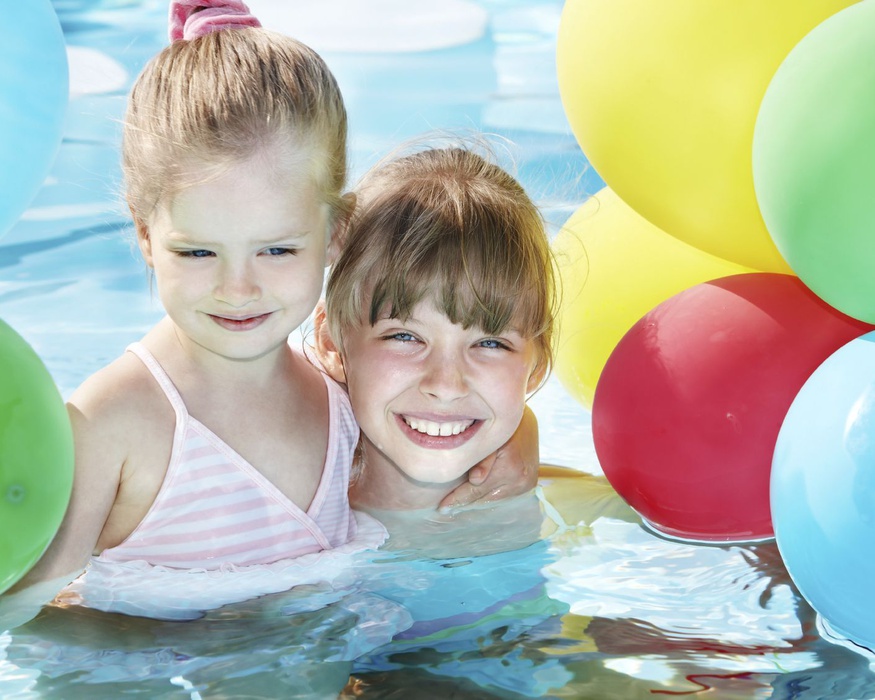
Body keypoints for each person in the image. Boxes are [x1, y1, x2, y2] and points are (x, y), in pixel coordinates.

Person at [314, 144, 554, 515]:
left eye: (490, 342)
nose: (445, 385)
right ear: (331, 341)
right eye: (405, 337)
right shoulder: (289, 497)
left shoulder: (583, 510)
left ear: (536, 366)